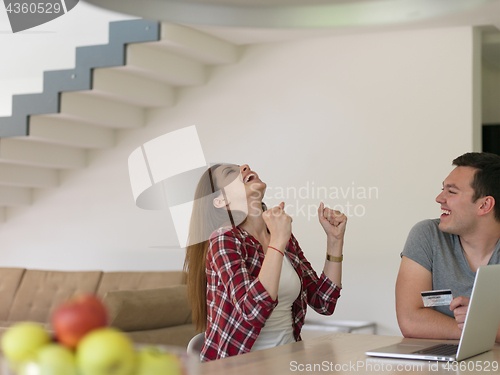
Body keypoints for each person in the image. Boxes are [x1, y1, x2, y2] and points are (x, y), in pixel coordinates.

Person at [183, 163, 347, 361]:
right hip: (239, 367)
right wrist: (277, 241)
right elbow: (252, 313)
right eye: (230, 172)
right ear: (220, 201)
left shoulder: (282, 236)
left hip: (289, 362)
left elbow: (324, 302)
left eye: (242, 166)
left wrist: (334, 240)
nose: (245, 167)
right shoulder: (224, 239)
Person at [396, 152, 500, 343]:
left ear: (485, 205)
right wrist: (481, 328)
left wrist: (482, 326)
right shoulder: (427, 235)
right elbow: (410, 320)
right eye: (443, 189)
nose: (439, 198)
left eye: (451, 192)